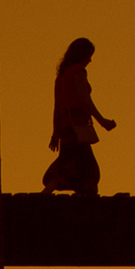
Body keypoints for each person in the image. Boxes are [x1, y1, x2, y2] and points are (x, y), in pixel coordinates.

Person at [41, 38, 116, 196]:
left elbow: (56, 108)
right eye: (88, 55)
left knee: (72, 165)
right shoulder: (77, 71)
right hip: (77, 126)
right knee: (89, 172)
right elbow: (84, 100)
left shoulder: (61, 77)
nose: (90, 60)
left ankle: (49, 191)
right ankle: (49, 194)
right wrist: (103, 121)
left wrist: (55, 133)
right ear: (81, 54)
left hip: (65, 128)